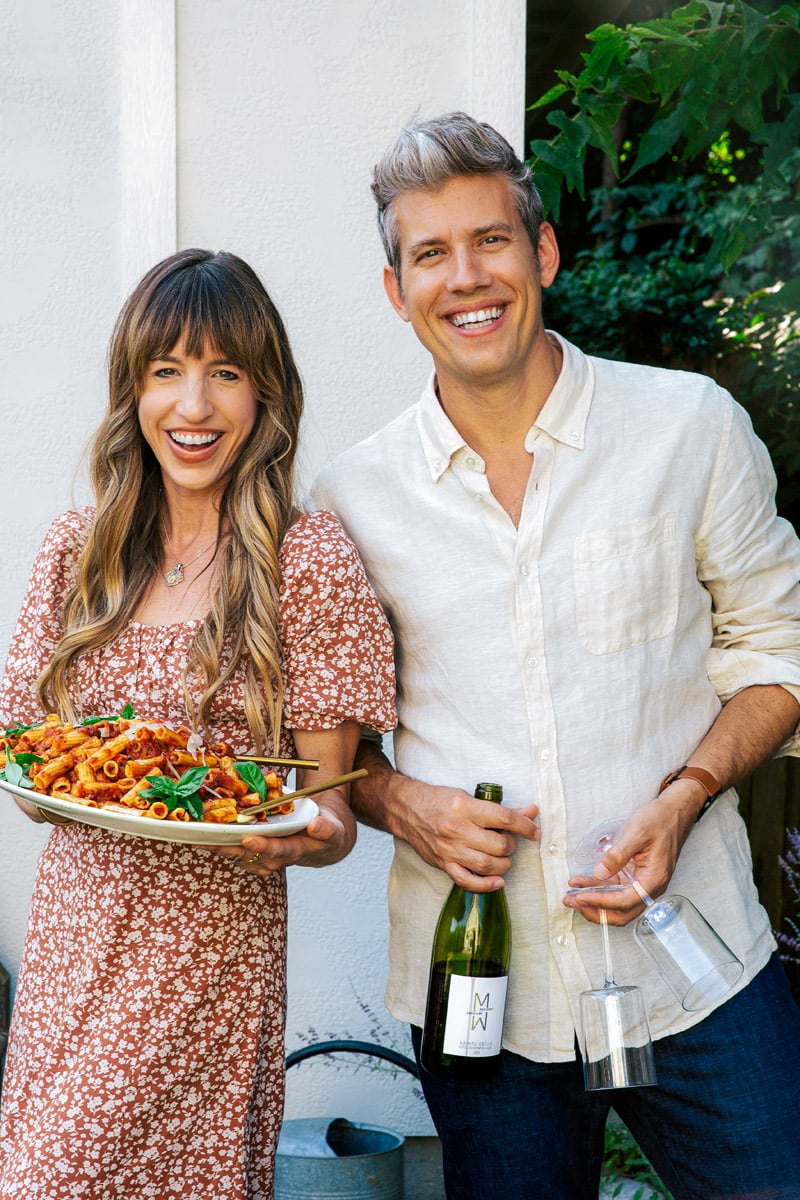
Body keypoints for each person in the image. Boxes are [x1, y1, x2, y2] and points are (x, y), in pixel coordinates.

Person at [310, 112, 800, 1200]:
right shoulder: (349, 502)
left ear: (542, 253)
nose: (464, 277)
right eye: (428, 254)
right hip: (481, 989)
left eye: (489, 240)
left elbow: (779, 650)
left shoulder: (688, 429)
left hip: (697, 965)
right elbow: (328, 748)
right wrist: (405, 802)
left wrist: (685, 794)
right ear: (396, 292)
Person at [0, 248, 396, 1200]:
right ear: (132, 391)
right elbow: (25, 763)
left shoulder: (307, 562)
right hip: (71, 957)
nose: (194, 406)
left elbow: (329, 810)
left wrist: (298, 837)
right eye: (165, 372)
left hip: (207, 968)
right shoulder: (76, 550)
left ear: (265, 395)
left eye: (225, 373)